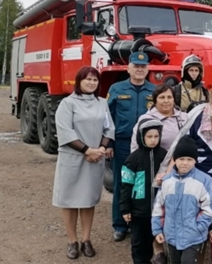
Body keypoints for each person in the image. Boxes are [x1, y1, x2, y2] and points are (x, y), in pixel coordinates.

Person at [53, 66, 115, 259]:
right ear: (79, 81)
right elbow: (65, 131)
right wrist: (87, 150)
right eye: (87, 79)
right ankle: (72, 241)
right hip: (73, 157)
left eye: (95, 80)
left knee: (88, 201)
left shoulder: (101, 103)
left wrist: (101, 150)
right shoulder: (67, 103)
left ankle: (86, 239)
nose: (91, 83)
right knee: (70, 201)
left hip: (95, 158)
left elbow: (109, 128)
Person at [107, 52, 156, 242]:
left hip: (146, 145)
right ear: (128, 68)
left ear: (148, 69)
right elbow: (107, 119)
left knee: (143, 184)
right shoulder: (117, 89)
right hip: (122, 144)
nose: (139, 69)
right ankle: (119, 225)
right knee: (122, 183)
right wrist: (109, 143)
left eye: (143, 67)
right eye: (136, 66)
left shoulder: (154, 91)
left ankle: (139, 224)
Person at [152, 135, 212, 263]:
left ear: (195, 161)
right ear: (175, 160)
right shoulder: (167, 181)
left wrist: (198, 227)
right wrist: (157, 229)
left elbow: (210, 207)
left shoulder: (204, 181)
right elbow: (158, 207)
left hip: (193, 237)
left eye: (189, 159)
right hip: (171, 235)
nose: (185, 163)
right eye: (181, 159)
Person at [120, 119, 167, 264]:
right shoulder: (133, 159)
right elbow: (125, 186)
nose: (153, 140)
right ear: (141, 137)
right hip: (139, 211)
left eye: (156, 136)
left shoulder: (164, 156)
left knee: (157, 239)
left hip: (159, 210)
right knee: (140, 244)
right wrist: (125, 208)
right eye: (149, 137)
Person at [131, 84, 188, 151]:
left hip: (181, 160)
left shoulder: (185, 117)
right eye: (162, 97)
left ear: (174, 100)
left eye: (169, 97)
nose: (166, 101)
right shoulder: (146, 119)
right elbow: (135, 145)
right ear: (155, 101)